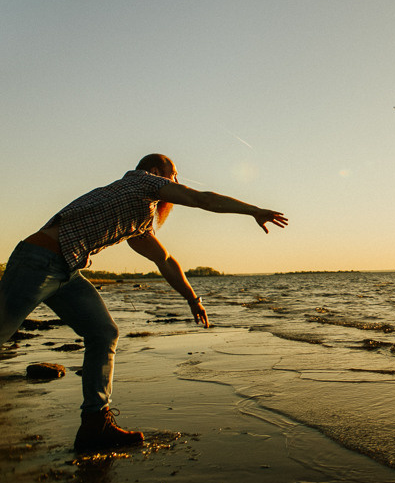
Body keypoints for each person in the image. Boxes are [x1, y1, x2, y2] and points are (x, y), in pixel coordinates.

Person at [0, 154, 287, 452]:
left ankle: (95, 425)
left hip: (66, 269)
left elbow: (164, 260)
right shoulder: (140, 183)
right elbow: (202, 199)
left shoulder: (138, 217)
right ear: (153, 172)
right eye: (173, 175)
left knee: (103, 333)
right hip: (38, 261)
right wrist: (255, 210)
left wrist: (193, 299)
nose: (176, 183)